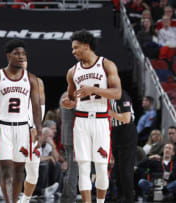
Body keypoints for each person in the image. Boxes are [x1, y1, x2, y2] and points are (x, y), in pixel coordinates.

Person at [62, 30, 122, 203]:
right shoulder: (72, 71)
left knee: (102, 167)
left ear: (86, 46)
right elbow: (71, 98)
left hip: (101, 120)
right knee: (83, 166)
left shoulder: (106, 65)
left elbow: (117, 93)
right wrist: (69, 102)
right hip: (81, 121)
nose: (73, 51)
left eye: (76, 48)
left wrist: (94, 90)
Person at [0, 39, 42, 203]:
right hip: (3, 127)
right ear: (8, 55)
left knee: (19, 172)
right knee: (6, 170)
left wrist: (38, 127)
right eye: (17, 53)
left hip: (23, 129)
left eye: (23, 54)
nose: (21, 56)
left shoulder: (31, 79)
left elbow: (36, 106)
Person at [20, 60, 46, 203]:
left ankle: (25, 199)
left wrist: (35, 127)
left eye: (24, 60)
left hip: (31, 129)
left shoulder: (36, 81)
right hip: (11, 127)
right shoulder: (3, 80)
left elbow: (40, 106)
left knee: (33, 171)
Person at [108, 90, 137, 203]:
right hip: (114, 131)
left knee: (126, 168)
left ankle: (128, 197)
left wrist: (109, 112)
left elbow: (126, 118)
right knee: (118, 168)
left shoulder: (121, 95)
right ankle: (120, 195)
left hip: (126, 130)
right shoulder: (105, 97)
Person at [59, 91, 78, 203]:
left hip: (66, 136)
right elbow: (80, 113)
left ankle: (66, 197)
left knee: (70, 169)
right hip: (74, 137)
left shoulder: (64, 95)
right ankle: (71, 198)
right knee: (73, 170)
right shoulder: (72, 95)